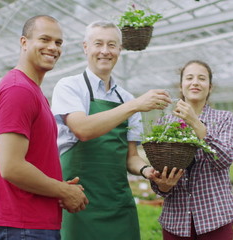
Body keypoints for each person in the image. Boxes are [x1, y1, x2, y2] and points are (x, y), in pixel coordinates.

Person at [51, 20, 181, 240]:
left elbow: (130, 157)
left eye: (112, 45)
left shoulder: (127, 98)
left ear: (119, 50)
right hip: (77, 203)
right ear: (85, 47)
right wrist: (134, 106)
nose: (105, 51)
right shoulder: (70, 86)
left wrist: (147, 171)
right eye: (98, 44)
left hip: (118, 205)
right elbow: (82, 129)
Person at [0, 15, 88, 240]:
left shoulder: (32, 91)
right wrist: (63, 191)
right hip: (24, 225)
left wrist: (57, 186)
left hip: (32, 222)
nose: (53, 47)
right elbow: (11, 166)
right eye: (45, 39)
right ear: (24, 42)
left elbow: (33, 158)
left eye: (58, 42)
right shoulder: (18, 91)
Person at [151, 60, 233, 240]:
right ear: (181, 86)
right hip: (176, 221)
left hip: (215, 219)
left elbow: (225, 158)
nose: (195, 82)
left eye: (202, 78)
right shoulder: (165, 124)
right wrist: (162, 185)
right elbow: (159, 175)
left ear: (210, 87)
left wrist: (195, 123)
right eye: (189, 78)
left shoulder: (225, 119)